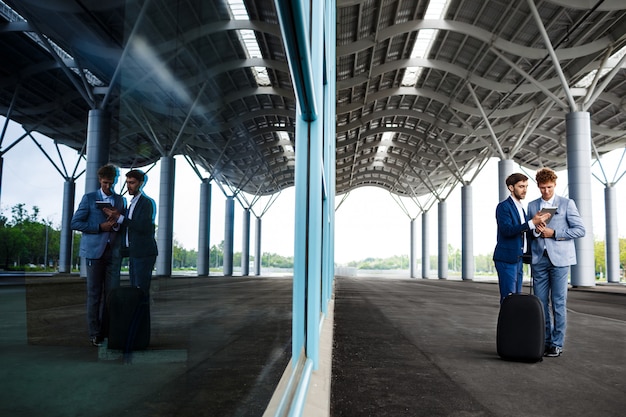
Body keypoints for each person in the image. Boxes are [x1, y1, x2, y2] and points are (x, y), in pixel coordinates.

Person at [527, 167, 585, 357]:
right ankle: (544, 342)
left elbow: (579, 230)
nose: (546, 191)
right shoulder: (532, 206)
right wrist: (536, 231)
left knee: (558, 303)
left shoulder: (567, 204)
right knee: (541, 303)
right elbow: (531, 233)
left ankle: (557, 344)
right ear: (538, 186)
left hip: (560, 260)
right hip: (539, 260)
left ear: (555, 184)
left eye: (549, 187)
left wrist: (555, 233)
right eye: (543, 188)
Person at [71, 164, 126, 346]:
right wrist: (99, 227)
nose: (107, 187)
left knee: (111, 295)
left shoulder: (120, 201)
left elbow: (120, 227)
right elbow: (75, 223)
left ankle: (107, 332)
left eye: (110, 183)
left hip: (113, 253)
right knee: (94, 295)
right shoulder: (89, 199)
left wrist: (116, 223)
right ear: (99, 180)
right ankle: (94, 333)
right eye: (104, 183)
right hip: (94, 253)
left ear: (115, 181)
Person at [493, 173, 551, 303]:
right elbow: (507, 230)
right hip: (507, 259)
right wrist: (531, 223)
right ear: (511, 188)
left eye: (526, 186)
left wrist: (536, 229)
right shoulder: (503, 207)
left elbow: (523, 232)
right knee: (508, 299)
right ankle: (507, 324)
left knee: (516, 299)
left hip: (519, 258)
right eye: (521, 186)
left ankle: (514, 323)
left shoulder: (521, 208)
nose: (524, 190)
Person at [105, 169, 158, 292]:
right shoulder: (131, 204)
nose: (128, 186)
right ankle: (138, 311)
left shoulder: (147, 203)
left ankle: (142, 312)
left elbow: (143, 227)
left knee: (141, 290)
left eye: (132, 183)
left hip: (144, 253)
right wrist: (115, 222)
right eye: (127, 182)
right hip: (134, 253)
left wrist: (121, 218)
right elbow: (129, 227)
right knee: (136, 290)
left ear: (141, 183)